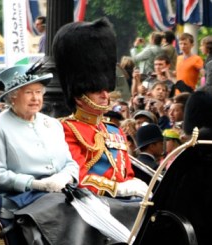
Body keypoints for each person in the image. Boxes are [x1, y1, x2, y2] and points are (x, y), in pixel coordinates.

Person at [55, 18, 147, 198]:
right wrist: (117, 189)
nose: (106, 95)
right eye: (97, 91)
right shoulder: (67, 129)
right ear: (79, 96)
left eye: (106, 89)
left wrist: (132, 184)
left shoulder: (113, 129)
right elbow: (79, 177)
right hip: (92, 204)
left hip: (123, 204)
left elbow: (126, 173)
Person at [0, 64, 78, 222]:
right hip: (21, 198)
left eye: (38, 92)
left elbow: (71, 163)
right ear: (12, 97)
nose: (35, 98)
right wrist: (35, 184)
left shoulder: (53, 124)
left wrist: (65, 177)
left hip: (62, 192)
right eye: (28, 93)